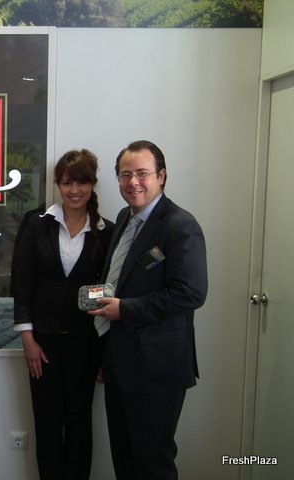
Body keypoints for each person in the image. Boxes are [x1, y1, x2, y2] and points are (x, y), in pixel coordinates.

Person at [89, 140, 207, 480]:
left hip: (157, 369)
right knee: (125, 459)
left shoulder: (180, 226)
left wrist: (125, 310)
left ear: (161, 176)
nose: (133, 182)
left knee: (153, 464)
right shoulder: (125, 218)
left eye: (142, 173)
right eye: (125, 175)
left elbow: (190, 293)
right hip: (119, 363)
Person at [12, 149, 114, 479]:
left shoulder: (106, 231)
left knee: (80, 424)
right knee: (47, 424)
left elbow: (110, 293)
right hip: (42, 343)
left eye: (81, 182)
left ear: (92, 184)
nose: (74, 190)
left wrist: (105, 354)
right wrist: (28, 339)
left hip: (86, 343)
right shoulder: (36, 223)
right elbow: (22, 281)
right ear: (58, 184)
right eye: (67, 183)